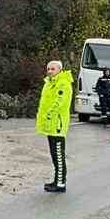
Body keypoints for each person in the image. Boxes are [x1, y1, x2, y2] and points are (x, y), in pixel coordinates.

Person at [37, 60, 73, 192]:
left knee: (58, 155)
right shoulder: (49, 83)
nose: (50, 71)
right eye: (48, 69)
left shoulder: (63, 84)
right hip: (50, 125)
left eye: (53, 69)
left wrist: (48, 115)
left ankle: (61, 183)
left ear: (59, 70)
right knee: (54, 155)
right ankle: (57, 180)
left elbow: (59, 103)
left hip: (57, 124)